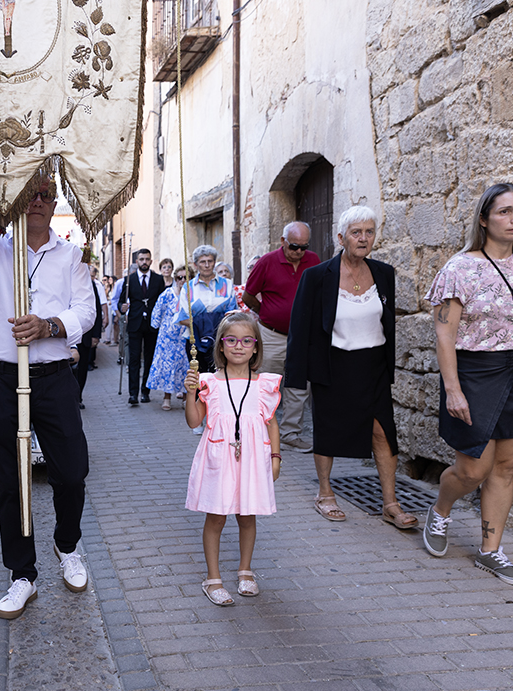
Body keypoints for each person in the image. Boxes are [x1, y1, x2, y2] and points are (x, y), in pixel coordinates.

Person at [0, 177, 96, 620]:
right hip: (1, 374)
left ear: (54, 204)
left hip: (52, 374)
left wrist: (49, 325)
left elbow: (86, 311)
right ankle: (22, 575)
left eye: (45, 194)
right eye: (28, 193)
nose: (37, 200)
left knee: (71, 472)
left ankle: (66, 545)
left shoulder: (71, 255)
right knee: (11, 481)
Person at [423, 183, 513, 586]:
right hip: (477, 374)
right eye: (505, 211)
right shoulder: (460, 269)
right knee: (473, 469)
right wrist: (453, 388)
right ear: (484, 218)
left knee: (506, 466)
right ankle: (441, 509)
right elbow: (445, 334)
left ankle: (490, 552)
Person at [285, 206, 418, 529]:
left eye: (369, 232)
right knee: (328, 429)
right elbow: (300, 326)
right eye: (356, 232)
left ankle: (390, 503)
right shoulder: (317, 276)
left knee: (383, 433)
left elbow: (387, 324)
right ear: (341, 237)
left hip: (372, 365)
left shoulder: (383, 273)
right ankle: (325, 492)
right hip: (333, 363)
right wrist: (296, 376)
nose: (363, 238)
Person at [184, 311, 281, 605]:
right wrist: (190, 395)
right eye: (231, 340)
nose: (239, 346)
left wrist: (275, 457)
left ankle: (245, 570)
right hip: (219, 458)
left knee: (247, 516)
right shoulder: (208, 382)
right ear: (221, 346)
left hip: (252, 458)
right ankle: (212, 577)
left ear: (255, 347)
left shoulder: (264, 383)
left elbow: (271, 422)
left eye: (246, 340)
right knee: (216, 517)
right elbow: (193, 421)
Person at [242, 222, 322, 452]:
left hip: (301, 336)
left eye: (303, 247)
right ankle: (257, 430)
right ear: (283, 241)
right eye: (294, 246)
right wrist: (266, 311)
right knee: (265, 383)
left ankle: (289, 434)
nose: (299, 252)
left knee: (298, 386)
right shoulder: (267, 262)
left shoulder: (313, 260)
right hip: (272, 334)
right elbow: (248, 295)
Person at [177, 245, 237, 374]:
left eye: (210, 261)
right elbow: (182, 317)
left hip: (222, 340)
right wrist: (203, 325)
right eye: (202, 262)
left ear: (214, 262)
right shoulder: (188, 287)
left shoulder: (227, 285)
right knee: (200, 379)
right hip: (195, 341)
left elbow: (233, 313)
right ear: (195, 264)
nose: (207, 265)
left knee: (222, 376)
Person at [119, 248, 166, 404]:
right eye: (141, 259)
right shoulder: (129, 280)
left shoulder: (158, 280)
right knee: (134, 360)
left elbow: (162, 302)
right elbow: (121, 302)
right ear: (137, 261)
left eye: (147, 259)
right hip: (135, 323)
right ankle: (133, 394)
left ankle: (146, 391)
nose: (144, 262)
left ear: (151, 261)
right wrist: (122, 307)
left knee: (150, 359)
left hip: (153, 325)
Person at [146, 265, 189, 411]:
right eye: (179, 277)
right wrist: (155, 326)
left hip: (186, 335)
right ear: (175, 278)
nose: (182, 280)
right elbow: (157, 311)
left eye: (186, 277)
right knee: (168, 366)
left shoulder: (192, 295)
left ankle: (185, 397)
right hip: (168, 337)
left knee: (185, 366)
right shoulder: (168, 293)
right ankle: (167, 397)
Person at [75, 265, 105, 407]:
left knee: (82, 367)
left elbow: (96, 310)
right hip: (67, 333)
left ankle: (78, 396)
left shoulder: (91, 284)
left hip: (85, 334)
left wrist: (96, 335)